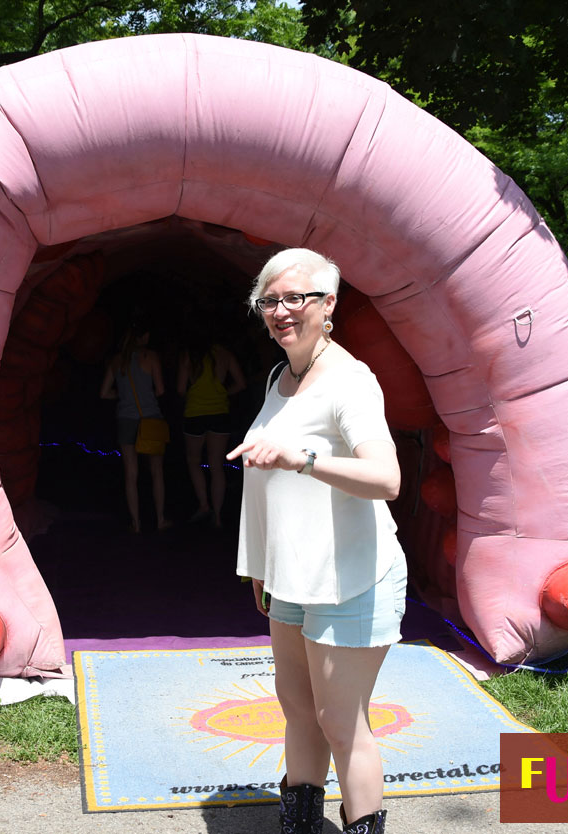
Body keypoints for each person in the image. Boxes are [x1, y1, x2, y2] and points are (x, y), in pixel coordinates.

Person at [228, 248, 406, 834]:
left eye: (296, 298)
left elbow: (386, 478)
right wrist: (263, 566)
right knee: (299, 712)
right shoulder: (281, 378)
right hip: (292, 576)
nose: (282, 311)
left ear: (328, 305)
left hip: (351, 576)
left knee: (341, 721)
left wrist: (303, 458)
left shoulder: (350, 382)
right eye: (270, 301)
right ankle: (298, 823)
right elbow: (270, 489)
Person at [99, 322, 169, 532]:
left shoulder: (116, 361)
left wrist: (122, 396)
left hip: (126, 419)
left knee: (131, 473)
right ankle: (160, 519)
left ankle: (136, 523)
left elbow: (103, 393)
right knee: (157, 472)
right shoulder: (150, 358)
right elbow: (161, 389)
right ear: (145, 336)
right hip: (150, 419)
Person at [177, 328, 245, 527]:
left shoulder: (188, 356)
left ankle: (204, 505)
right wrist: (222, 393)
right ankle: (217, 516)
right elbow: (241, 384)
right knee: (216, 466)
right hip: (220, 414)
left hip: (195, 414)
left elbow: (181, 389)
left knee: (194, 461)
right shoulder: (224, 353)